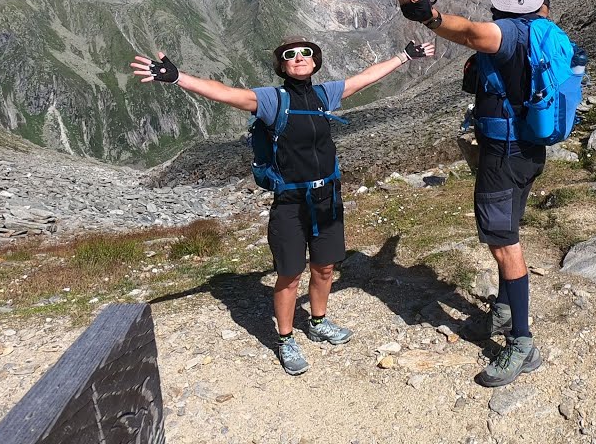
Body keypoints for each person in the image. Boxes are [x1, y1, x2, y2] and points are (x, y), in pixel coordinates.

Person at [130, 36, 434, 375]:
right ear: (283, 65)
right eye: (291, 55)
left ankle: (318, 322)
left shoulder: (324, 95)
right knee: (289, 275)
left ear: (316, 62)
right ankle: (286, 338)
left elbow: (365, 78)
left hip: (327, 198)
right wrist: (177, 77)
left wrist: (404, 55)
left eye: (307, 53)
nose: (299, 58)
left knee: (325, 268)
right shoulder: (274, 100)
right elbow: (228, 93)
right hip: (290, 201)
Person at [395, 0, 554, 388]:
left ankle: (522, 342)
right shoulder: (543, 27)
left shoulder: (504, 34)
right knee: (510, 230)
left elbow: (466, 31)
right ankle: (504, 309)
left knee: (504, 243)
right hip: (529, 148)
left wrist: (426, 14)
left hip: (502, 153)